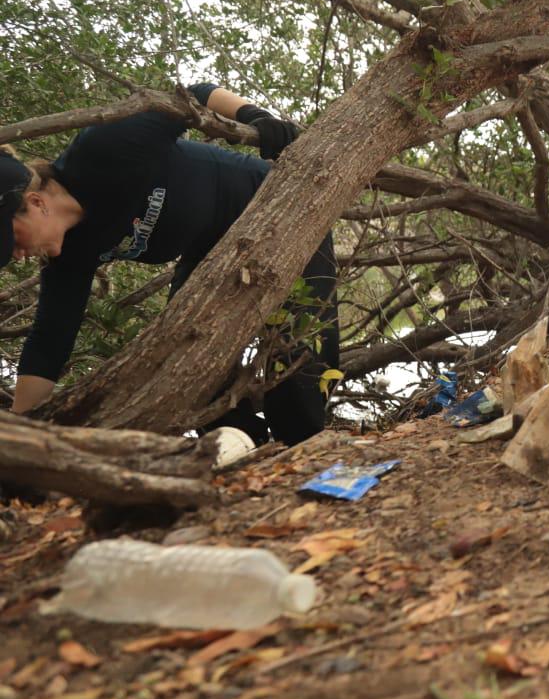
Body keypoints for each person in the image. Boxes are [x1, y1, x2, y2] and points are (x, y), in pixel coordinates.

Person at [0, 85, 337, 445]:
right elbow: (49, 343)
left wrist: (256, 117)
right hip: (213, 252)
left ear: (35, 201)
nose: (18, 254)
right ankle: (243, 453)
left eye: (13, 239)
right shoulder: (71, 255)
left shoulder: (103, 150)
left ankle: (307, 451)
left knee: (295, 368)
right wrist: (21, 433)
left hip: (277, 207)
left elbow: (191, 96)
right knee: (183, 359)